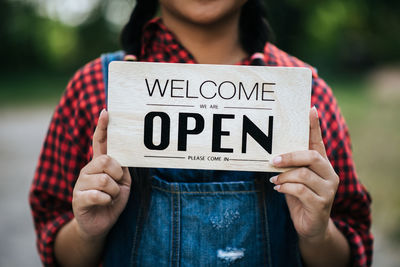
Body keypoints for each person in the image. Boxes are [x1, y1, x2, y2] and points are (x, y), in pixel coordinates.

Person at [29, 0, 373, 266]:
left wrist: (317, 233)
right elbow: (55, 243)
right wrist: (88, 232)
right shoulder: (93, 88)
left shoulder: (307, 96)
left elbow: (354, 247)